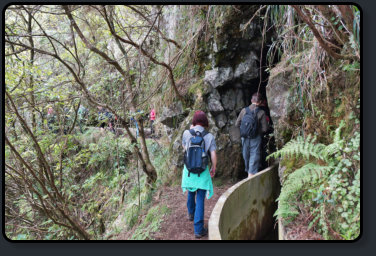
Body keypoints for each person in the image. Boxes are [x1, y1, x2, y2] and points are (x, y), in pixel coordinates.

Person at [181, 110, 217, 239]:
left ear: (194, 121)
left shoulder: (186, 133)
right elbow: (213, 154)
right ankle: (198, 229)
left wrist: (190, 133)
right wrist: (214, 167)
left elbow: (184, 149)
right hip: (202, 171)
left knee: (191, 192)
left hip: (189, 171)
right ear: (205, 122)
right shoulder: (209, 136)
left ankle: (191, 214)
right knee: (200, 198)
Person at [235, 92, 268, 178]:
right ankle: (251, 174)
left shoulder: (244, 110)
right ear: (260, 102)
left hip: (244, 137)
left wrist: (244, 130)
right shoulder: (261, 113)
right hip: (255, 137)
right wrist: (256, 130)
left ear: (251, 100)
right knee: (254, 154)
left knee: (246, 154)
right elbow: (265, 129)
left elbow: (237, 124)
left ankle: (248, 171)